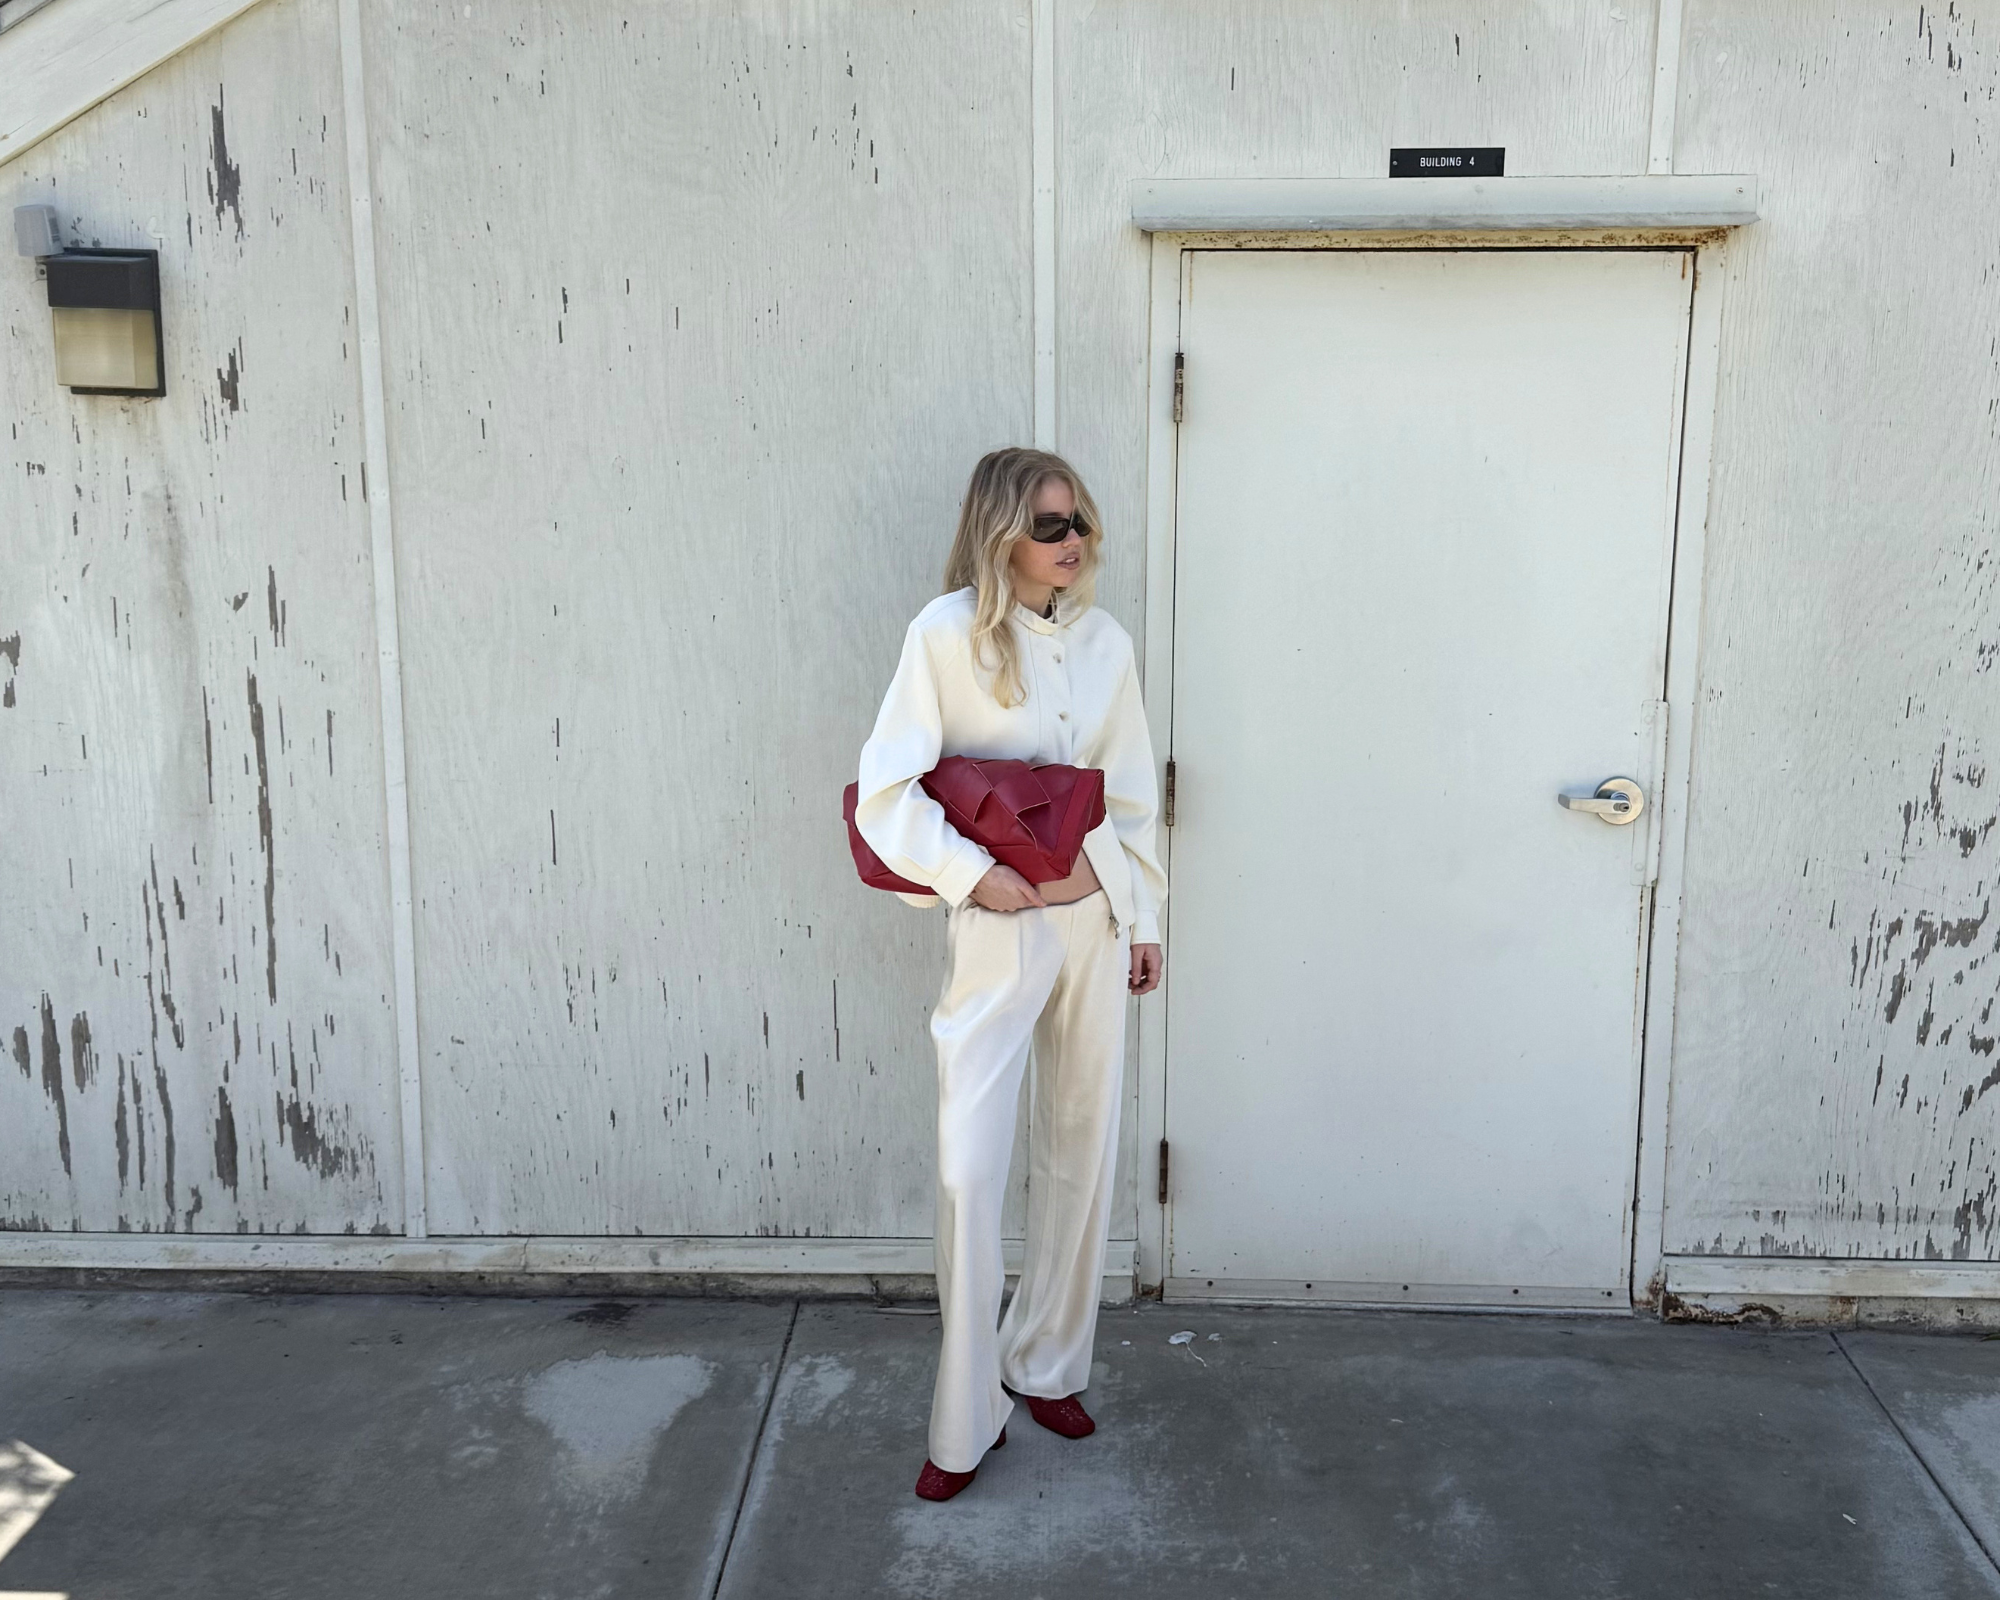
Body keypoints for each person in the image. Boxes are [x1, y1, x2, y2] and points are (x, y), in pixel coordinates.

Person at [853, 447, 1166, 1502]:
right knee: (968, 1167)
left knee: (1080, 1148)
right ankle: (965, 1412)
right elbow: (883, 794)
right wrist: (969, 874)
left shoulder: (1106, 639)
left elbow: (1132, 791)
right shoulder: (943, 635)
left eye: (1076, 521)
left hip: (1091, 919)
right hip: (997, 927)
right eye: (1047, 525)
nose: (1070, 542)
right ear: (999, 533)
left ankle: (1047, 1364)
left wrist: (1141, 916)